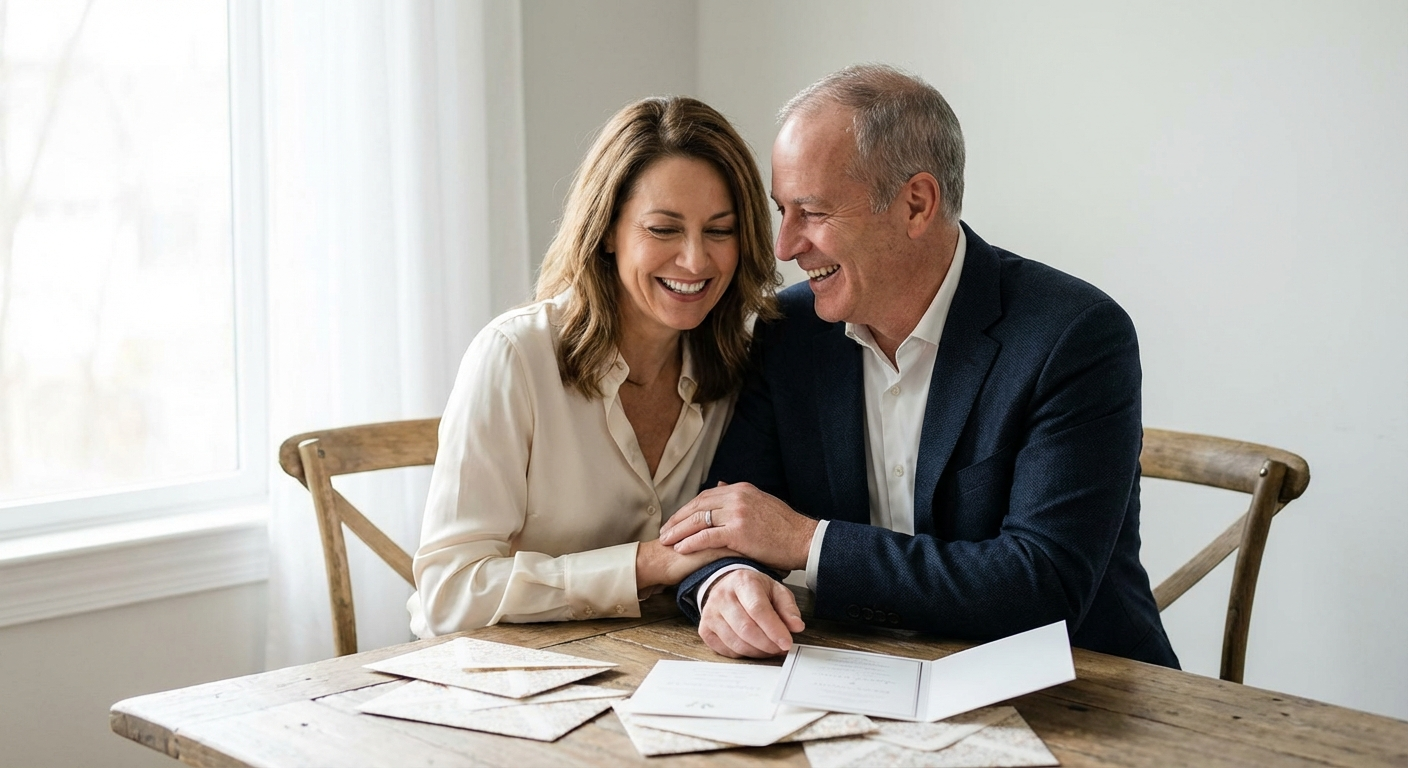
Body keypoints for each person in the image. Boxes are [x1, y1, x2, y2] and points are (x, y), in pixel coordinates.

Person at [657, 65, 1179, 668]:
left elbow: (1042, 587)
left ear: (916, 203)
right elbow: (726, 516)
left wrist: (806, 541)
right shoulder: (789, 332)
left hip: (1081, 692)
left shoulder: (1074, 336)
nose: (785, 246)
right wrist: (724, 584)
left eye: (814, 212)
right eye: (782, 211)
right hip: (856, 680)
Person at [408, 96, 778, 636]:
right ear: (607, 231)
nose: (697, 260)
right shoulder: (514, 357)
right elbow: (448, 592)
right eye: (663, 229)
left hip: (657, 668)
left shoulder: (736, 367)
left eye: (719, 231)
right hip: (499, 683)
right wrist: (642, 565)